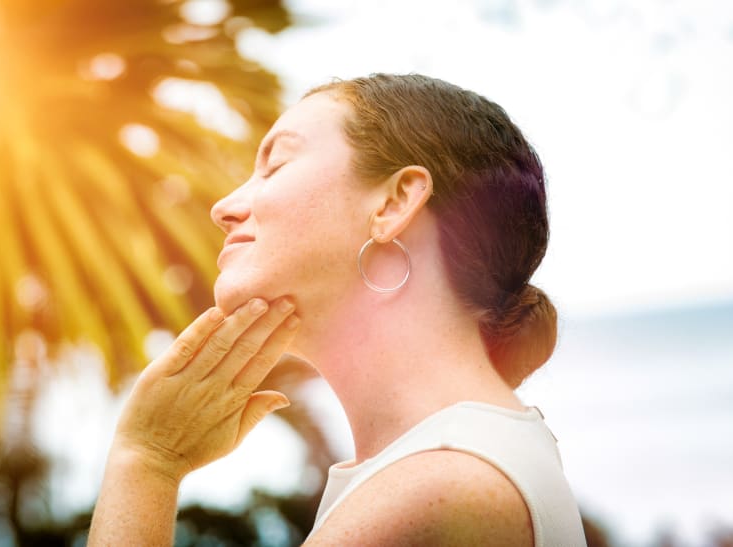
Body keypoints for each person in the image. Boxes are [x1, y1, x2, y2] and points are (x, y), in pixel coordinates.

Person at [88, 73, 587, 546]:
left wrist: (147, 462)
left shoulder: (443, 484)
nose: (225, 207)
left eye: (277, 164)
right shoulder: (464, 458)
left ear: (393, 204)